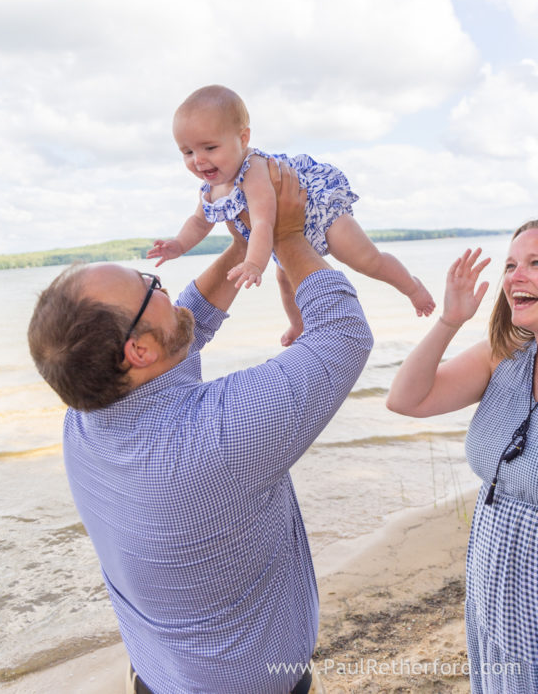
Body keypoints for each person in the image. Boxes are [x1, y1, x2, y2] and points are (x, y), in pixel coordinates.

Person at [27, 161, 373, 694]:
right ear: (136, 351)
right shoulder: (217, 434)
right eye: (150, 287)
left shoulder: (85, 417)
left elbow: (183, 325)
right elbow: (343, 336)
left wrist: (242, 247)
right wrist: (285, 236)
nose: (162, 288)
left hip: (155, 675)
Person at [148, 84, 434, 346]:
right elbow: (199, 221)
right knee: (286, 282)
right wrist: (179, 245)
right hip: (283, 237)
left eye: (210, 147)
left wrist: (253, 264)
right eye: (187, 152)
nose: (198, 160)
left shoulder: (254, 170)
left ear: (243, 138)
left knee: (367, 260)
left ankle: (411, 286)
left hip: (320, 218)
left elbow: (263, 221)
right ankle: (298, 325)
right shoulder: (211, 188)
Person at [386, 220, 538, 693]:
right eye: (511, 265)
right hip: (493, 573)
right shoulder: (506, 356)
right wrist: (450, 320)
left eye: (536, 264)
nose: (516, 276)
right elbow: (406, 399)